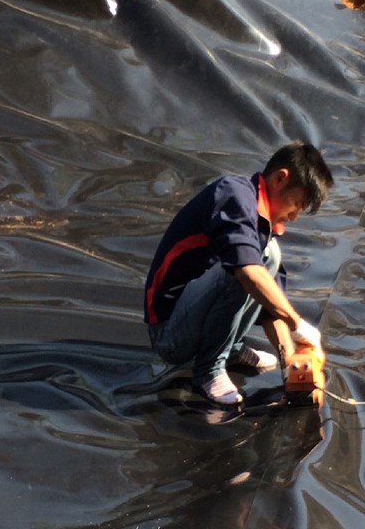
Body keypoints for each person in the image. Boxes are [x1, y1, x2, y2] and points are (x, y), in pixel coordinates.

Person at [143, 141, 334, 406]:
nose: (294, 217)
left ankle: (229, 350)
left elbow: (271, 307)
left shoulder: (263, 225)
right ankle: (208, 370)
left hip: (194, 318)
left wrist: (291, 364)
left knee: (269, 261)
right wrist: (297, 324)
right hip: (170, 334)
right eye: (297, 204)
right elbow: (246, 271)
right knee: (243, 268)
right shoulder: (235, 195)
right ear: (281, 178)